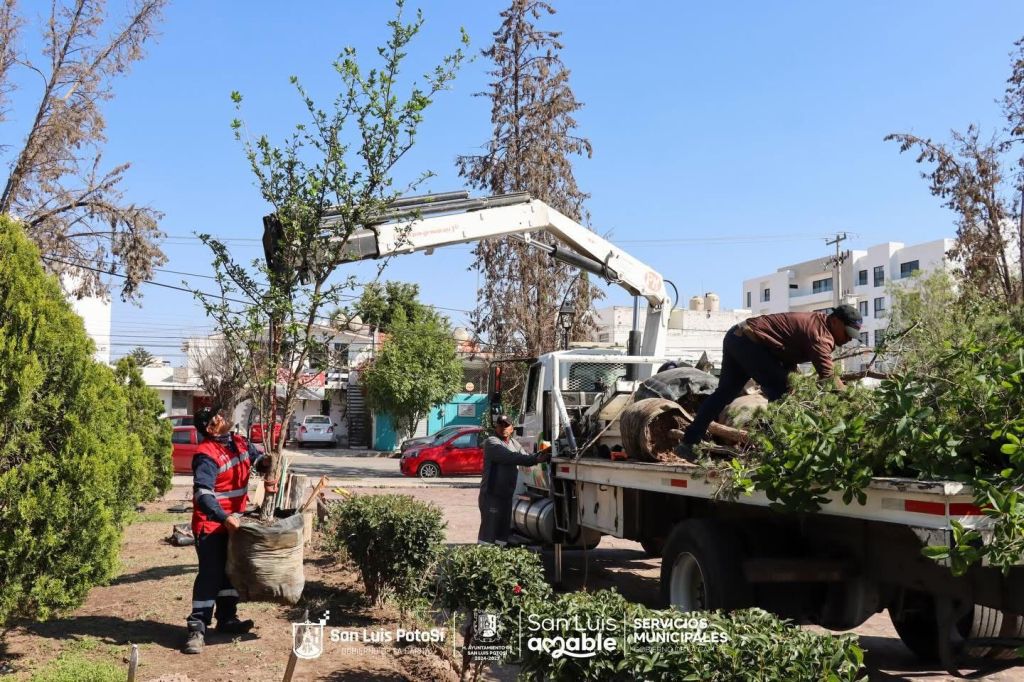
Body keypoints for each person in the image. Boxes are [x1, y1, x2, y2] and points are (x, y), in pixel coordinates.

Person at [679, 304, 862, 455]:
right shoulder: (820, 336)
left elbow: (786, 347)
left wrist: (794, 379)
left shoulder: (817, 324)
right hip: (750, 342)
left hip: (738, 336)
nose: (848, 340)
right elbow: (829, 379)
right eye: (847, 333)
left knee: (725, 393)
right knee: (780, 392)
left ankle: (688, 443)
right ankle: (773, 450)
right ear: (836, 321)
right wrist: (856, 402)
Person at [184, 406, 278, 655]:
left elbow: (256, 461)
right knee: (211, 575)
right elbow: (202, 494)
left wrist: (268, 465)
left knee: (231, 573)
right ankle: (197, 628)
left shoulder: (238, 441)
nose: (223, 418)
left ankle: (227, 619)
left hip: (235, 522)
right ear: (209, 427)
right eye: (217, 417)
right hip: (212, 524)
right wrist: (224, 517)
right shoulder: (205, 455)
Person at [477, 414, 551, 545]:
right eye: (500, 425)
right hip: (492, 495)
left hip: (506, 495)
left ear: (512, 428)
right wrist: (535, 459)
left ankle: (500, 560)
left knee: (502, 533)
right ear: (496, 427)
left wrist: (542, 454)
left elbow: (524, 456)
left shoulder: (513, 442)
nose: (503, 428)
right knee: (488, 534)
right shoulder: (492, 442)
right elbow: (511, 457)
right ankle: (482, 560)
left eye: (507, 425)